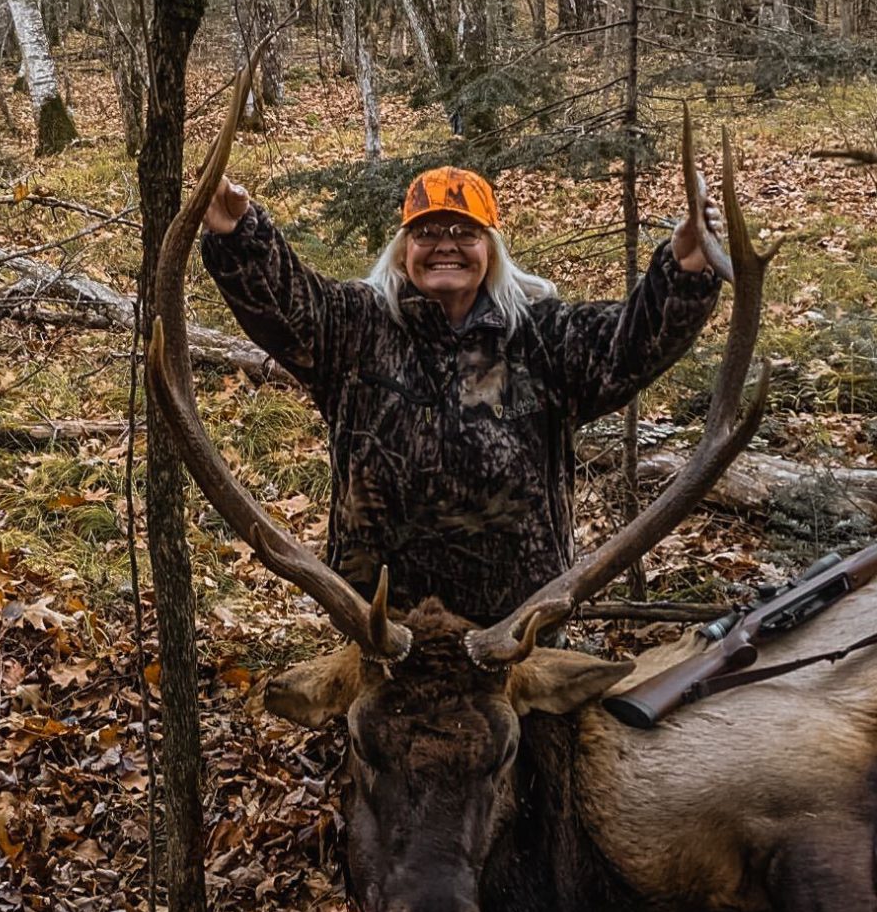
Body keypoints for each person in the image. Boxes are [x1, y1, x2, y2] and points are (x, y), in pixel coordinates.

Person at [199, 163, 727, 626]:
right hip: (383, 623)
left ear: (490, 247)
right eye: (426, 231)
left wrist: (682, 270)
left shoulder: (544, 336)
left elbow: (630, 343)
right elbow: (287, 302)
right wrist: (239, 235)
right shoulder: (354, 327)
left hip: (515, 626)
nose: (444, 243)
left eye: (464, 230)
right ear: (404, 249)